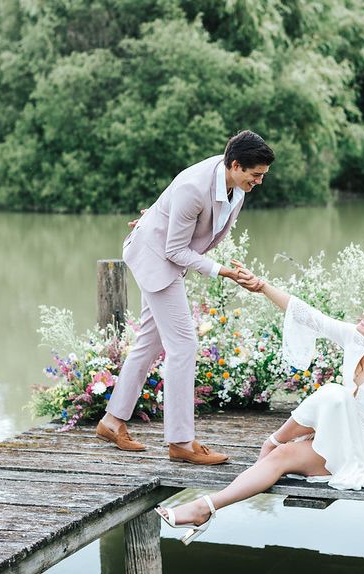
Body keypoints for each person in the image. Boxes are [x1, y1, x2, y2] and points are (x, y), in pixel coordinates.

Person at [156, 264, 364, 544]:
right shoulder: (355, 339)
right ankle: (205, 508)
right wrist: (262, 286)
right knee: (284, 456)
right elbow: (309, 316)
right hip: (339, 431)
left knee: (332, 394)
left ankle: (272, 441)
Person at [97, 131, 275, 465]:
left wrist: (157, 217)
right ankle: (180, 442)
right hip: (157, 260)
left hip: (166, 253)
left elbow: (180, 213)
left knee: (149, 343)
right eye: (255, 175)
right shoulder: (194, 188)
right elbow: (175, 248)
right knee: (183, 346)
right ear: (235, 165)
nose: (259, 181)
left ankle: (111, 421)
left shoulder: (235, 184)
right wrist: (222, 271)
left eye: (262, 175)